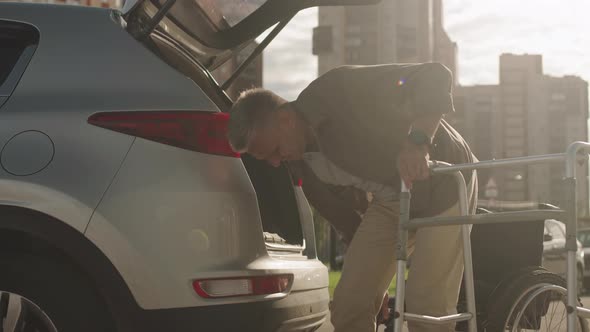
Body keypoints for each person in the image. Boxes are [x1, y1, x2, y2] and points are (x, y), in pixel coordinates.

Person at [227, 63, 478, 332]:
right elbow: (349, 224)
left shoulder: (339, 89)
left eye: (275, 151)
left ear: (285, 119)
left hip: (445, 182)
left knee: (424, 309)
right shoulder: (300, 164)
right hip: (392, 199)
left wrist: (417, 142)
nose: (276, 163)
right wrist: (372, 283)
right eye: (267, 159)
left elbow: (435, 74)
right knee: (349, 305)